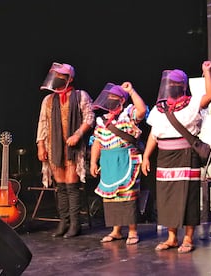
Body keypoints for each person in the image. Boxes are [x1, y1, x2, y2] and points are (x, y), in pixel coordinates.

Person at [141, 61, 211, 253]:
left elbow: (210, 95)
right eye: (169, 84)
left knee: (188, 196)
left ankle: (188, 238)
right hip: (165, 157)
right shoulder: (160, 109)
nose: (171, 87)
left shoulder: (192, 103)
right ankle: (172, 237)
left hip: (186, 155)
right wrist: (147, 156)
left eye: (175, 84)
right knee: (167, 198)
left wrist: (206, 72)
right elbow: (153, 135)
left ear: (182, 86)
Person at [37, 62, 95, 238]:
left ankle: (75, 224)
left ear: (68, 79)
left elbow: (89, 117)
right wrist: (41, 145)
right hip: (54, 146)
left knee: (71, 185)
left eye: (59, 77)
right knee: (60, 186)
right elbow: (43, 123)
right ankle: (64, 222)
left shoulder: (80, 96)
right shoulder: (48, 100)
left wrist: (78, 134)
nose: (55, 80)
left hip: (73, 148)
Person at [89, 82, 147, 245]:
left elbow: (142, 110)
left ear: (121, 100)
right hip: (108, 161)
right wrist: (93, 162)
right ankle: (116, 231)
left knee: (128, 196)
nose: (110, 100)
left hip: (126, 158)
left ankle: (133, 231)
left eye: (114, 97)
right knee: (111, 197)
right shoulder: (101, 120)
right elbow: (97, 142)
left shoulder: (128, 114)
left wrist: (131, 91)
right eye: (109, 97)